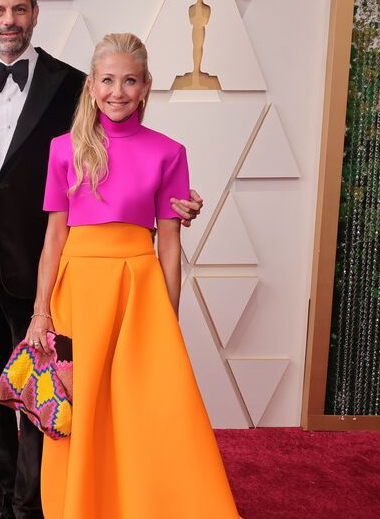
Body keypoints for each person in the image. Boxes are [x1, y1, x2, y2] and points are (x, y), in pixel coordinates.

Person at [0, 0, 203, 519]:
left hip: (52, 274)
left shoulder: (70, 86)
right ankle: (1, 504)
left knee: (52, 400)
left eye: (19, 9)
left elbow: (118, 155)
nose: (9, 20)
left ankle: (32, 504)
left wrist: (174, 201)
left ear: (36, 14)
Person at [26, 32, 240, 517]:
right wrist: (41, 313)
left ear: (146, 87)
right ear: (92, 86)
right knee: (78, 411)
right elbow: (53, 240)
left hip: (139, 294)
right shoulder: (64, 149)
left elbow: (169, 245)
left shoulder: (170, 152)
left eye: (129, 81)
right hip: (76, 296)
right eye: (107, 80)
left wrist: (168, 318)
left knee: (141, 412)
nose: (117, 91)